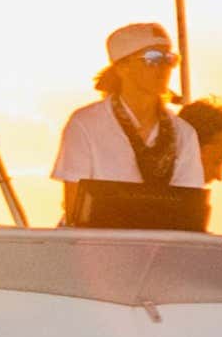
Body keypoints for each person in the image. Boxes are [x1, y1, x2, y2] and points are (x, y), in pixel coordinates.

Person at [49, 24, 211, 232]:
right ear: (122, 67)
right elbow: (75, 211)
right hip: (93, 250)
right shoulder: (85, 124)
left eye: (169, 59)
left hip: (157, 254)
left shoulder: (184, 134)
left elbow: (189, 211)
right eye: (152, 58)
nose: (164, 68)